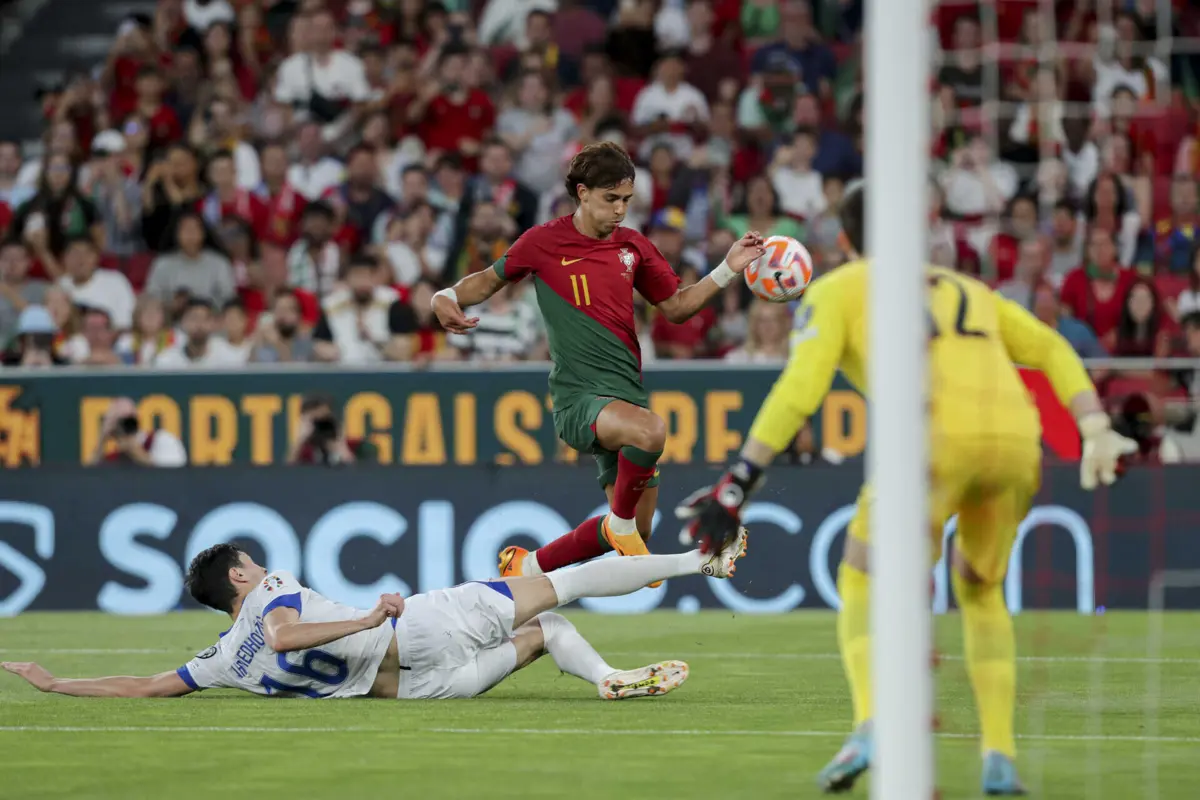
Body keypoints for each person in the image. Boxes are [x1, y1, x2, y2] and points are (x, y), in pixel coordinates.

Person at [675, 183, 1137, 796]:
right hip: (1015, 442)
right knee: (980, 590)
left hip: (934, 442)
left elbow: (800, 389)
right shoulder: (967, 288)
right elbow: (1050, 346)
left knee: (862, 574)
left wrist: (738, 483)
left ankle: (871, 725)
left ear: (845, 242)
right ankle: (999, 756)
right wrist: (1095, 427)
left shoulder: (840, 289)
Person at [431, 142, 764, 582]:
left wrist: (728, 267)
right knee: (652, 431)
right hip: (578, 401)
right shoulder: (543, 242)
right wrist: (446, 295)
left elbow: (678, 307)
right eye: (611, 199)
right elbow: (487, 281)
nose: (621, 210)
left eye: (627, 199)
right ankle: (619, 524)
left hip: (625, 399)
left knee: (637, 543)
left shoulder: (634, 247)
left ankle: (527, 566)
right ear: (583, 193)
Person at [1, 531, 747, 701]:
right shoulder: (269, 598)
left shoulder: (224, 657)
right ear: (239, 577)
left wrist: (55, 682)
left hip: (420, 691)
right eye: (250, 563)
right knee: (567, 582)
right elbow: (287, 634)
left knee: (546, 632)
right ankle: (701, 562)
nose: (259, 568)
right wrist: (368, 617)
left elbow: (148, 685)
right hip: (415, 630)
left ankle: (608, 678)